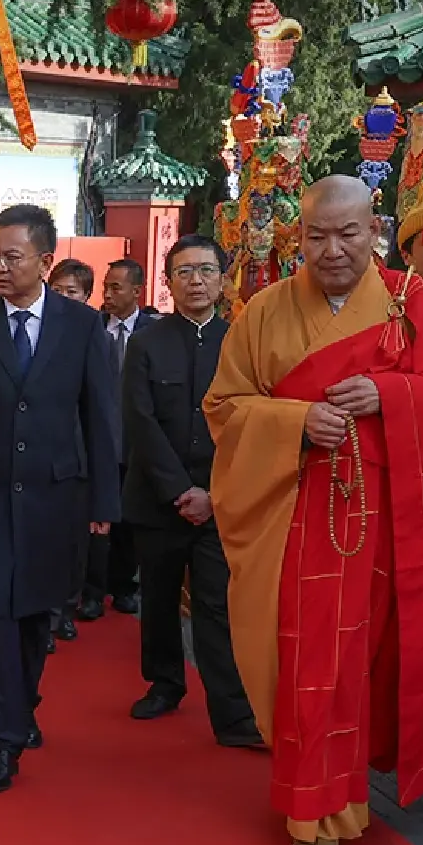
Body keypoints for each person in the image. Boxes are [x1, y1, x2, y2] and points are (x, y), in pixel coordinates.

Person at [204, 175, 423, 845]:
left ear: (376, 229)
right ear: (296, 237)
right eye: (317, 236)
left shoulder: (415, 304)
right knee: (315, 663)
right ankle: (318, 811)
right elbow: (224, 406)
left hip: (394, 523)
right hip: (298, 513)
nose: (333, 250)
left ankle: (342, 788)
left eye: (348, 233)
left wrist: (392, 393)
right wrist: (295, 420)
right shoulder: (265, 311)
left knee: (367, 663)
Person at [0, 204, 118, 794]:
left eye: (12, 257)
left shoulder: (82, 327)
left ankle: (23, 704)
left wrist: (103, 503)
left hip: (55, 496)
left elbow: (101, 419)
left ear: (46, 260)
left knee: (37, 615)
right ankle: (3, 738)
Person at [120, 236, 256, 742]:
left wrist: (211, 492)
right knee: (156, 597)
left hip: (220, 499)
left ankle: (233, 711)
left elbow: (248, 422)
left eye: (205, 271)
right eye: (183, 272)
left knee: (217, 605)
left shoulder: (241, 340)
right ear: (168, 281)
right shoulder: (147, 342)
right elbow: (140, 420)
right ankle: (163, 683)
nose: (195, 281)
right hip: (158, 497)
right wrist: (180, 490)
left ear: (223, 279)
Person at [86, 258, 154, 620]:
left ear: (137, 291)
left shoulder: (152, 330)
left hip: (136, 442)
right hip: (99, 439)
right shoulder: (92, 328)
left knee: (128, 520)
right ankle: (92, 592)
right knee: (97, 519)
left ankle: (124, 586)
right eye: (106, 287)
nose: (108, 295)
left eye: (116, 287)